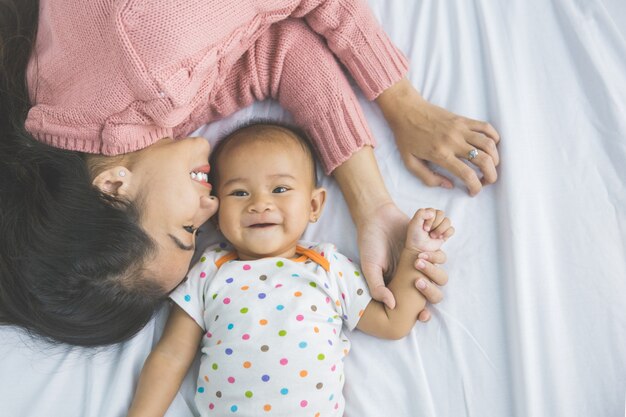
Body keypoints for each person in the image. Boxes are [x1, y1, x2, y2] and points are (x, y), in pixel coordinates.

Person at [0, 0, 496, 346]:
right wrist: (373, 207)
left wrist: (403, 106)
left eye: (184, 229)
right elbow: (278, 52)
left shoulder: (151, 63)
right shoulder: (78, 116)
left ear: (111, 188)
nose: (212, 206)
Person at [126, 122, 454, 417]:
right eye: (239, 192)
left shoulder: (329, 268)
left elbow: (393, 322)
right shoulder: (209, 271)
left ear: (314, 206)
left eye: (280, 189)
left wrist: (414, 252)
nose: (260, 204)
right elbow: (171, 356)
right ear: (217, 213)